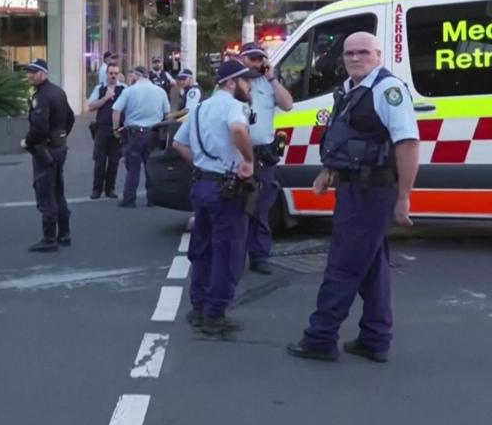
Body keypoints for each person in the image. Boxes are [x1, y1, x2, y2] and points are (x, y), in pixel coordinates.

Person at [287, 32, 419, 363]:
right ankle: (375, 338)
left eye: (363, 52)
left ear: (378, 55)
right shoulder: (351, 90)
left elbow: (408, 144)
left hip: (370, 192)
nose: (355, 58)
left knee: (342, 266)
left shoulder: (387, 91)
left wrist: (404, 197)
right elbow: (347, 137)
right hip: (354, 187)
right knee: (372, 267)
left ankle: (320, 337)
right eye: (349, 53)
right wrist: (329, 171)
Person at [172, 60, 257, 335]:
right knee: (227, 250)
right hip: (226, 188)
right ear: (232, 83)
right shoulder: (234, 106)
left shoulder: (198, 109)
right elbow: (238, 129)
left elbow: (177, 143)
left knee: (203, 248)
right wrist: (248, 160)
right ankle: (215, 313)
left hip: (201, 185)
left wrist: (200, 163)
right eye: (247, 81)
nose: (250, 86)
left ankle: (198, 307)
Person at [238, 42, 294, 275]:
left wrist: (271, 78)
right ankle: (235, 254)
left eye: (260, 59)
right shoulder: (233, 83)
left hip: (263, 155)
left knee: (261, 207)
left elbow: (288, 104)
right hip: (238, 154)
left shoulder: (268, 84)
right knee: (237, 207)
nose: (256, 63)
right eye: (251, 58)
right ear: (242, 59)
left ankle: (259, 256)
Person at [21, 59, 75, 252]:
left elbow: (40, 127)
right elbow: (70, 118)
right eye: (29, 72)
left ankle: (49, 238)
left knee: (45, 191)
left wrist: (27, 141)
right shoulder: (58, 92)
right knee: (58, 190)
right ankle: (64, 233)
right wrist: (61, 137)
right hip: (59, 147)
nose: (30, 76)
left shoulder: (42, 95)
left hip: (46, 150)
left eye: (34, 72)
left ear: (43, 73)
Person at [112, 66, 170, 208]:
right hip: (154, 132)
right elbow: (167, 114)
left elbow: (116, 110)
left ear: (136, 75)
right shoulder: (160, 91)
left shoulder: (129, 91)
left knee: (133, 167)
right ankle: (153, 199)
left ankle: (129, 199)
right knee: (151, 167)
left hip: (134, 133)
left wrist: (115, 129)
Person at [87, 62, 127, 199]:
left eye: (116, 73)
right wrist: (105, 98)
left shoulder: (124, 89)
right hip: (102, 128)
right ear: (106, 74)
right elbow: (91, 106)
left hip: (118, 129)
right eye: (111, 73)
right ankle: (96, 189)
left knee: (114, 161)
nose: (113, 76)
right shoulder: (100, 88)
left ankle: (110, 189)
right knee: (99, 160)